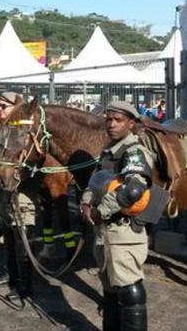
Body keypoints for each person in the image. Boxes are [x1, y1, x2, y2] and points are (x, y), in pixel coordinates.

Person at [80, 101, 153, 331]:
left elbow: (133, 190)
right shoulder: (109, 150)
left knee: (129, 290)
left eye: (118, 120)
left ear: (131, 124)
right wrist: (85, 202)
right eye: (108, 119)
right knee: (110, 290)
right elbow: (97, 180)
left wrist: (99, 211)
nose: (111, 124)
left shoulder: (134, 152)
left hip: (123, 232)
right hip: (105, 233)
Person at [0, 91, 36, 302]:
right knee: (8, 237)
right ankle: (11, 275)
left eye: (3, 106)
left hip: (21, 192)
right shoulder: (3, 131)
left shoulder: (25, 130)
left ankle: (25, 286)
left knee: (22, 240)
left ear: (15, 108)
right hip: (3, 190)